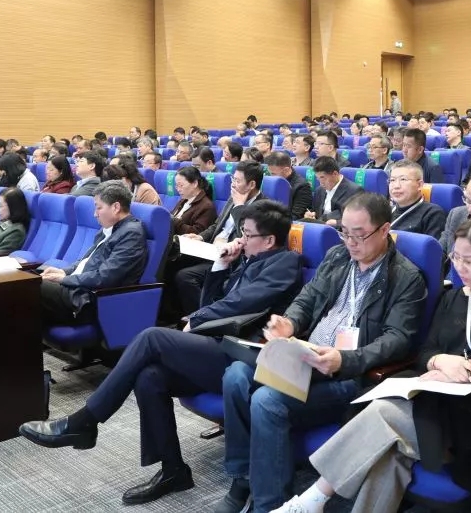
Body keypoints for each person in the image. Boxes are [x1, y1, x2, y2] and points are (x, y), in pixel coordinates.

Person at [19, 201, 301, 505]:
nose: (241, 240)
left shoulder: (284, 263)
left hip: (243, 357)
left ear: (269, 240)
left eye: (247, 234)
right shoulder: (247, 259)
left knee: (152, 338)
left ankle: (85, 421)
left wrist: (197, 319)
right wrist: (220, 267)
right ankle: (173, 470)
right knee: (149, 375)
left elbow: (241, 303)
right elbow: (210, 303)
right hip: (218, 347)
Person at [273, 218, 471, 513]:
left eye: (470, 261)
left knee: (382, 413)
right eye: (456, 257)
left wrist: (465, 371)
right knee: (390, 455)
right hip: (433, 398)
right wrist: (441, 361)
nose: (460, 267)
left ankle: (314, 498)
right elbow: (426, 351)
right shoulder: (452, 297)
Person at [212, 193, 425, 513]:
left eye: (359, 235)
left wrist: (346, 360)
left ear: (384, 230)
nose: (350, 242)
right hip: (307, 357)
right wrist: (290, 323)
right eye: (344, 232)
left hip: (348, 374)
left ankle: (269, 505)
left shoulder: (405, 277)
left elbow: (398, 339)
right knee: (236, 376)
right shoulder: (337, 256)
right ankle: (244, 478)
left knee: (267, 400)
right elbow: (307, 298)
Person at [37, 181, 148, 327]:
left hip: (88, 299)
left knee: (29, 287)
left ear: (116, 207)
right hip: (78, 288)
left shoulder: (131, 234)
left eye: (99, 207)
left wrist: (64, 279)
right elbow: (87, 261)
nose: (95, 214)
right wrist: (64, 271)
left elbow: (105, 277)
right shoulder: (110, 228)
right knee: (32, 277)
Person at [173, 161, 269, 313]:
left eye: (237, 181)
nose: (233, 184)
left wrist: (239, 207)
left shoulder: (263, 206)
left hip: (231, 257)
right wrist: (200, 237)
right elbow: (216, 226)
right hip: (212, 249)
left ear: (251, 184)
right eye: (233, 179)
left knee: (185, 276)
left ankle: (202, 316)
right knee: (173, 259)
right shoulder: (233, 198)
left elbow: (247, 236)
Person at [387, 160, 447, 238]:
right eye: (392, 180)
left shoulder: (432, 214)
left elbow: (431, 245)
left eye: (403, 179)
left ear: (419, 185)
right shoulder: (386, 211)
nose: (396, 186)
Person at [305, 156, 361, 226]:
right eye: (318, 178)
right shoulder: (319, 190)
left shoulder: (354, 191)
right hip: (319, 226)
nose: (321, 183)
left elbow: (357, 220)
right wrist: (310, 215)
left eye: (323, 177)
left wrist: (337, 223)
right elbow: (314, 211)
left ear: (335, 174)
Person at [170, 166, 218, 235]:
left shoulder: (206, 206)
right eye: (177, 186)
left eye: (181, 185)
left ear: (195, 183)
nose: (178, 189)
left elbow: (197, 233)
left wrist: (174, 221)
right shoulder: (184, 200)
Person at [265, 151, 312, 221]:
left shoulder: (302, 186)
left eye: (273, 174)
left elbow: (295, 216)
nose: (271, 177)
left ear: (286, 170)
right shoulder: (272, 183)